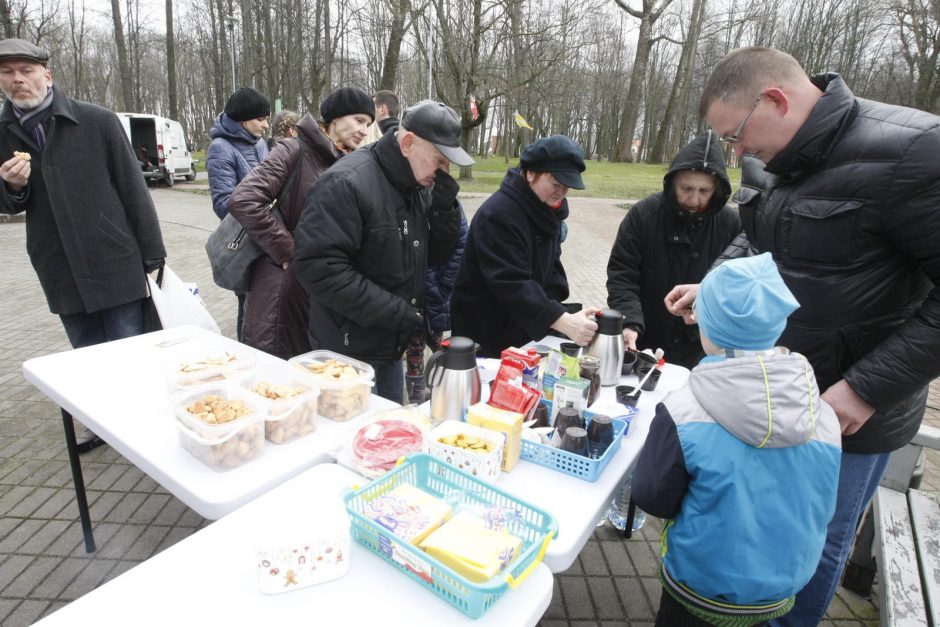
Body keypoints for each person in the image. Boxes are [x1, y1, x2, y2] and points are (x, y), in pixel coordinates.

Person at [665, 46, 940, 626]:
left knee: (809, 546)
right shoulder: (769, 159)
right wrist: (713, 289)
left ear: (776, 101)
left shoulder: (915, 152)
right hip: (763, 391)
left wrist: (863, 389)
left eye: (735, 135)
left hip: (846, 413)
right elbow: (755, 242)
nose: (736, 153)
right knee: (752, 535)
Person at [634, 253, 841, 627]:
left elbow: (652, 496)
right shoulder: (820, 411)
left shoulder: (685, 407)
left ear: (704, 323)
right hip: (779, 587)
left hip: (701, 586)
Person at [0, 39, 166, 450]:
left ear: (47, 74)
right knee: (87, 357)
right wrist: (12, 186)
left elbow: (133, 188)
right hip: (57, 264)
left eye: (26, 70)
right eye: (7, 72)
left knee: (131, 351)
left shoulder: (96, 121)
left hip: (115, 257)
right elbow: (7, 204)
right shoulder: (3, 134)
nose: (18, 79)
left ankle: (144, 422)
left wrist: (153, 253)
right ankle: (103, 423)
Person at [293, 100, 472, 404]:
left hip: (389, 344)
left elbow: (434, 257)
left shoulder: (417, 182)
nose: (445, 171)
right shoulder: (346, 183)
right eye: (439, 161)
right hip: (346, 353)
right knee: (351, 442)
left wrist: (444, 212)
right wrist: (397, 312)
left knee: (387, 435)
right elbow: (320, 269)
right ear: (407, 143)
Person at [228, 87, 374, 359]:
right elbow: (244, 200)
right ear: (334, 119)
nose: (364, 130)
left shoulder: (346, 162)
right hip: (280, 286)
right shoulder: (294, 149)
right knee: (276, 375)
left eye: (368, 124)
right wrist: (289, 251)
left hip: (313, 290)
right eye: (358, 120)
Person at [451, 135, 599, 358]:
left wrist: (560, 310)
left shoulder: (546, 210)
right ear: (530, 174)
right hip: (487, 332)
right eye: (556, 184)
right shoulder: (500, 214)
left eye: (568, 186)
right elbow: (511, 282)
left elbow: (552, 267)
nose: (561, 192)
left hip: (522, 327)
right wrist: (563, 321)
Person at [606, 130, 741, 369]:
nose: (694, 199)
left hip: (703, 346)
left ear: (717, 190)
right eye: (687, 189)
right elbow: (622, 274)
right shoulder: (643, 215)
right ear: (673, 183)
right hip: (644, 337)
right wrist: (629, 322)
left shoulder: (731, 224)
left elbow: (740, 283)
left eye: (704, 191)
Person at [206, 86, 270, 341]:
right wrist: (261, 213)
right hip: (245, 242)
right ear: (243, 120)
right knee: (248, 306)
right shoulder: (220, 148)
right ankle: (246, 351)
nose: (265, 125)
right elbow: (223, 203)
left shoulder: (260, 143)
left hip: (266, 239)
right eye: (260, 119)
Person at [405, 206, 468, 404]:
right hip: (411, 294)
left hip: (437, 291)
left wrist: (444, 285)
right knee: (414, 348)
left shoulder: (447, 201)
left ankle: (445, 392)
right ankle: (417, 400)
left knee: (439, 345)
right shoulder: (406, 199)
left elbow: (460, 244)